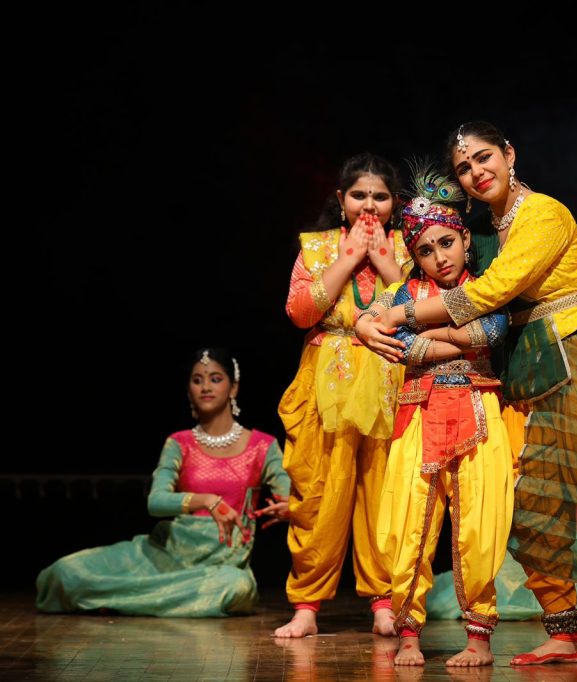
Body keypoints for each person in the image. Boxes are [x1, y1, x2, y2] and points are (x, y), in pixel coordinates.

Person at [357, 122, 577, 670]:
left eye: (484, 157)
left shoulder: (544, 214)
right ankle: (563, 630)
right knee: (530, 502)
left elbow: (491, 294)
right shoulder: (482, 230)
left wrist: (400, 317)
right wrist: (366, 319)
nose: (476, 172)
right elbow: (423, 279)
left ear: (509, 153)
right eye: (464, 167)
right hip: (528, 365)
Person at [366, 166, 513, 667]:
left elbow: (491, 333)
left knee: (479, 522)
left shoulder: (488, 287)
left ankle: (479, 640)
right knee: (409, 523)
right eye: (425, 250)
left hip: (477, 407)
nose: (439, 257)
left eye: (446, 243)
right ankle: (409, 636)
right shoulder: (405, 294)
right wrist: (455, 337)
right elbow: (399, 344)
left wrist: (429, 337)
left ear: (465, 239)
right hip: (418, 412)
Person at [36, 348, 290, 617]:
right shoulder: (179, 443)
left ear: (233, 388)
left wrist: (291, 509)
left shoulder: (262, 446)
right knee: (63, 573)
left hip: (220, 567)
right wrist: (207, 500)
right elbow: (156, 502)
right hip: (162, 554)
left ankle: (122, 599)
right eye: (197, 380)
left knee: (237, 588)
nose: (205, 387)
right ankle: (147, 600)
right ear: (189, 389)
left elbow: (290, 499)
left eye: (215, 379)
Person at [275, 153, 412, 638]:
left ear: (395, 204)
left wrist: (386, 264)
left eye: (380, 196)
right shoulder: (316, 248)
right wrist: (349, 258)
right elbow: (300, 313)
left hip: (389, 381)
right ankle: (307, 606)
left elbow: (426, 307)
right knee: (319, 494)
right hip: (325, 384)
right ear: (341, 199)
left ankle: (384, 602)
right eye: (359, 195)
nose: (369, 205)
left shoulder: (409, 247)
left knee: (384, 492)